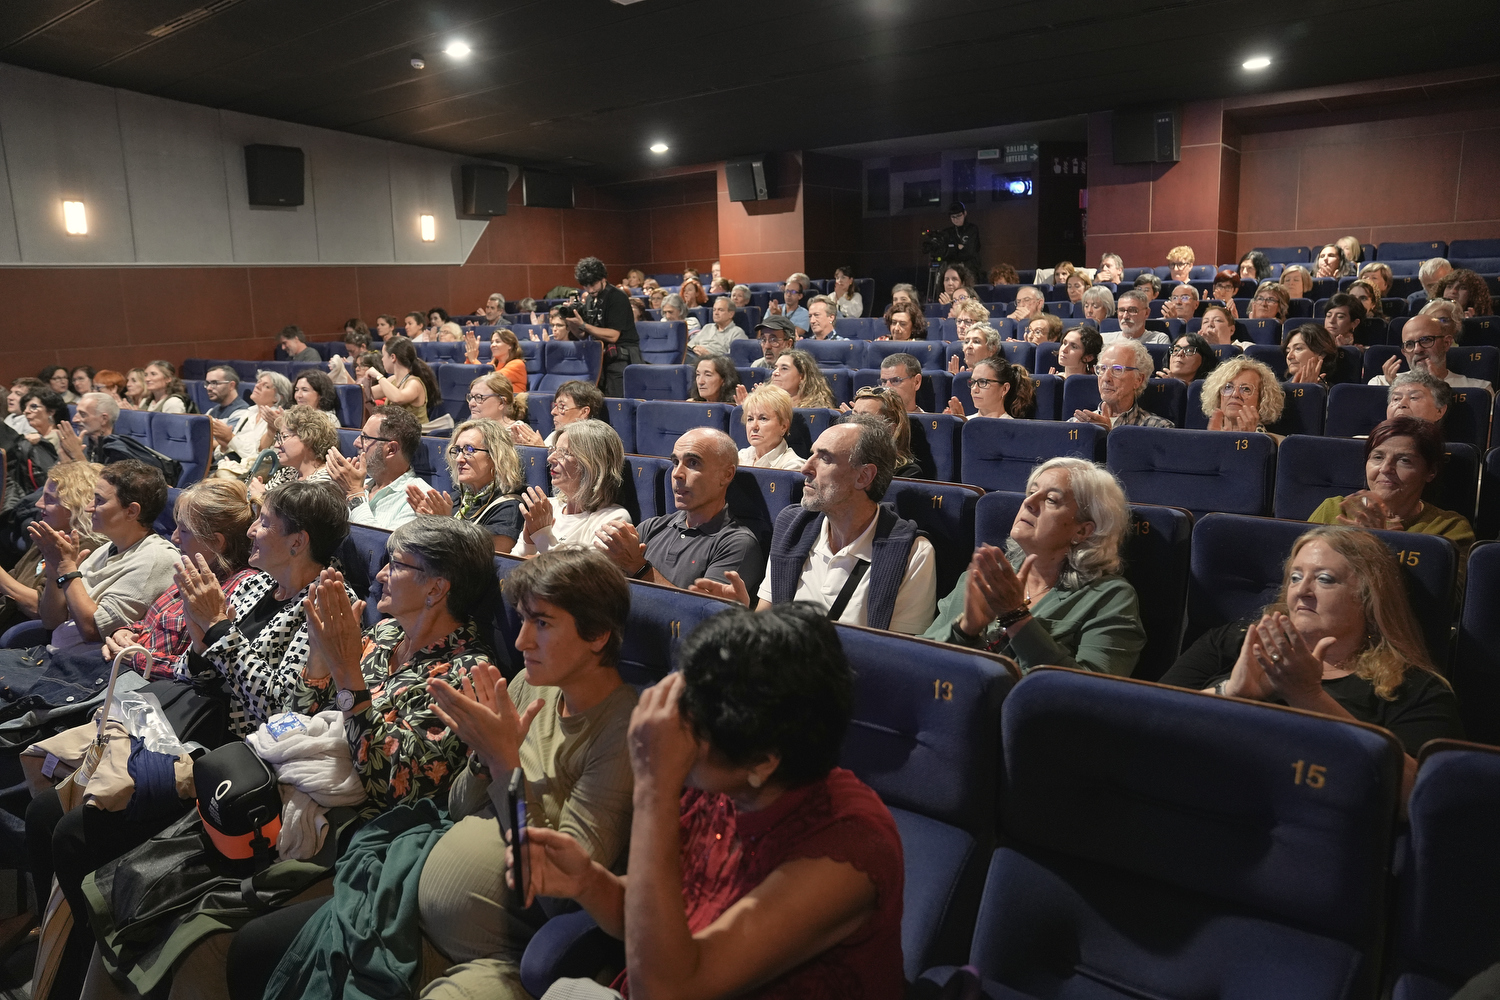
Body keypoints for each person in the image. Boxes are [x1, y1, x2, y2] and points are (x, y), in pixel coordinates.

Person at [507, 602, 905, 999]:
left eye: (693, 727)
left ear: (763, 761)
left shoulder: (847, 849)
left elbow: (665, 991)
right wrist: (589, 881)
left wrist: (653, 788)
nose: (675, 732)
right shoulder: (723, 787)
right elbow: (657, 916)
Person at [22, 478, 262, 1000]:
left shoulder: (233, 589)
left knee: (64, 829)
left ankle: (75, 957)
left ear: (216, 542)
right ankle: (54, 939)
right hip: (135, 699)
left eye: (184, 529)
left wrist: (140, 653)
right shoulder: (188, 573)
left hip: (174, 725)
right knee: (42, 804)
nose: (173, 536)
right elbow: (142, 633)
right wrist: (127, 639)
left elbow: (205, 672)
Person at [1158, 526, 1463, 772]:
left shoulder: (1413, 688)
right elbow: (1149, 721)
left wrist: (1309, 697)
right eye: (1295, 577)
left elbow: (1417, 797)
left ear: (1369, 597)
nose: (1302, 590)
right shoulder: (1235, 641)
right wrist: (1230, 693)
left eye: (1324, 579)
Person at [706, 415, 935, 634]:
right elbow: (766, 623)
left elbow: (897, 655)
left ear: (864, 476)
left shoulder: (913, 553)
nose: (805, 468)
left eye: (825, 458)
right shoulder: (791, 527)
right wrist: (744, 616)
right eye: (812, 454)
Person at [924, 457, 1143, 674]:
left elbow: (1091, 690)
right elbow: (920, 660)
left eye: (1051, 499)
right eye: (1031, 492)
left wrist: (1016, 617)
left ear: (1082, 531)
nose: (1029, 502)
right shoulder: (985, 576)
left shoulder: (1110, 598)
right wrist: (966, 630)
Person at [32, 460, 178, 653]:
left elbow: (93, 631)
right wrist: (54, 574)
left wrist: (67, 569)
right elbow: (52, 621)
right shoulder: (107, 548)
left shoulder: (156, 560)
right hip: (52, 655)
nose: (88, 507)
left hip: (84, 667)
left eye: (99, 501)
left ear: (131, 511)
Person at [1306, 417, 1474, 578]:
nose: (1385, 468)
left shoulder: (1448, 529)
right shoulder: (1333, 509)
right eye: (1378, 457)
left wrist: (1387, 543)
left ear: (1431, 471)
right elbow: (1296, 575)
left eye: (1404, 460)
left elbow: (1446, 596)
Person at [598, 428, 762, 592]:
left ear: (726, 475)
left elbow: (703, 607)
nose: (677, 474)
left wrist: (637, 567)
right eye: (675, 462)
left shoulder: (738, 543)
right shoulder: (651, 527)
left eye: (693, 463)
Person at [0, 462, 104, 634]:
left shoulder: (87, 548)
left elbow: (39, 609)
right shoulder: (49, 534)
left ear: (74, 506)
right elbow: (14, 579)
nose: (38, 504)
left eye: (49, 499)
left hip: (25, 635)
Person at [406, 418, 525, 554]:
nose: (459, 459)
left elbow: (488, 560)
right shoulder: (456, 498)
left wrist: (445, 524)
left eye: (469, 450)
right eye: (457, 450)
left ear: (495, 456)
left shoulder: (510, 507)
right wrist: (426, 523)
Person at [514, 419, 630, 556]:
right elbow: (512, 563)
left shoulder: (613, 519)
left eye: (564, 453)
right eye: (554, 450)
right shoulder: (547, 507)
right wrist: (528, 543)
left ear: (592, 464)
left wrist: (542, 535)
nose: (550, 458)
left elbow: (581, 570)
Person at [327, 407, 428, 531]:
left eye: (365, 438)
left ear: (391, 449)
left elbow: (377, 542)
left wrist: (354, 495)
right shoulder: (361, 485)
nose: (356, 443)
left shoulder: (420, 500)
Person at [567, 256, 643, 397]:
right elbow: (582, 335)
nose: (590, 290)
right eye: (586, 286)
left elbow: (613, 336)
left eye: (593, 284)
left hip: (621, 358)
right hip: (600, 358)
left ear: (603, 279)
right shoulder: (590, 299)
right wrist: (572, 322)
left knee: (615, 401)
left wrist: (583, 325)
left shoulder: (617, 297)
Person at [1071, 341, 1173, 430]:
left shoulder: (1158, 427)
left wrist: (1108, 432)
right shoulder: (1076, 423)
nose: (1106, 378)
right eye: (1102, 368)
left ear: (1138, 380)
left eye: (1117, 369)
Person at [249, 404, 338, 501]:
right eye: (278, 438)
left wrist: (261, 496)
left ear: (308, 438)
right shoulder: (288, 472)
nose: (277, 445)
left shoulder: (325, 481)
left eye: (284, 437)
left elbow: (296, 511)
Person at [214, 370, 293, 479]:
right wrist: (224, 445)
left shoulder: (277, 419)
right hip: (230, 464)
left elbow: (260, 458)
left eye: (266, 386)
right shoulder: (248, 413)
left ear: (277, 397)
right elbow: (223, 452)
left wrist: (230, 439)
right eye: (258, 382)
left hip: (253, 475)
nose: (257, 386)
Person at [848, 387, 923, 478]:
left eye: (865, 418)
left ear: (890, 429)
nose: (854, 423)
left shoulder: (907, 472)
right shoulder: (843, 460)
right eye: (854, 415)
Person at [1200, 355, 1285, 433]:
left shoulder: (1276, 443)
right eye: (1228, 387)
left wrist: (1248, 440)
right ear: (1218, 396)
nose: (1235, 394)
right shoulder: (1201, 440)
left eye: (1246, 389)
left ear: (1262, 399)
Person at [511, 379, 603, 449]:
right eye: (555, 406)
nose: (553, 412)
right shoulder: (555, 435)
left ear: (584, 412)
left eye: (562, 406)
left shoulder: (591, 442)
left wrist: (541, 450)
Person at [368, 335, 438, 425]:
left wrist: (378, 376)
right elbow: (366, 394)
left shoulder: (414, 383)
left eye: (383, 355)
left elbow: (398, 398)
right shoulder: (392, 380)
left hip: (417, 432)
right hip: (396, 430)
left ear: (393, 357)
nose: (382, 359)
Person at [737, 384, 806, 471]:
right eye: (750, 419)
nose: (754, 426)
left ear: (783, 426)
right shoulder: (740, 457)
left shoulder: (793, 466)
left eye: (763, 418)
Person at [946, 356, 1036, 421]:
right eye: (973, 382)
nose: (974, 389)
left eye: (983, 382)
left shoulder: (1012, 427)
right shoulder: (964, 420)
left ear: (1004, 389)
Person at [772, 349, 836, 409]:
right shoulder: (768, 405)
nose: (775, 373)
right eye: (775, 368)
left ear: (802, 376)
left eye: (784, 368)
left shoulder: (815, 410)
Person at [936, 200, 982, 273]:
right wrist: (957, 247)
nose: (956, 219)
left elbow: (970, 251)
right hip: (953, 269)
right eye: (953, 217)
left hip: (970, 269)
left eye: (959, 216)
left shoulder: (972, 229)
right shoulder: (948, 232)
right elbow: (945, 253)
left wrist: (953, 249)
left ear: (965, 213)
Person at [488, 327, 529, 394]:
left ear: (510, 345)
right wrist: (472, 360)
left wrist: (474, 360)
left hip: (513, 400)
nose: (492, 345)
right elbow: (479, 375)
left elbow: (492, 379)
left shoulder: (517, 364)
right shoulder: (494, 363)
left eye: (497, 342)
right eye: (492, 342)